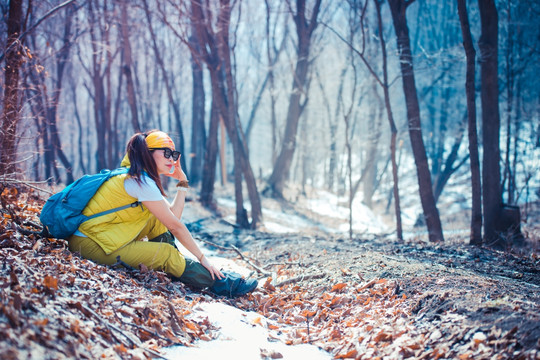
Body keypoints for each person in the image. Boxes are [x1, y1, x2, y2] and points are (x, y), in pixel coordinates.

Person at [67, 130, 258, 297]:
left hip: (102, 237)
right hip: (90, 244)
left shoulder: (140, 178)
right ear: (147, 153)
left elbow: (171, 219)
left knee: (156, 219)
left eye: (174, 154)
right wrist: (203, 259)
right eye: (166, 153)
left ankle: (180, 269)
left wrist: (182, 182)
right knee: (166, 254)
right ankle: (221, 283)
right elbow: (176, 226)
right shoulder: (138, 181)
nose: (172, 159)